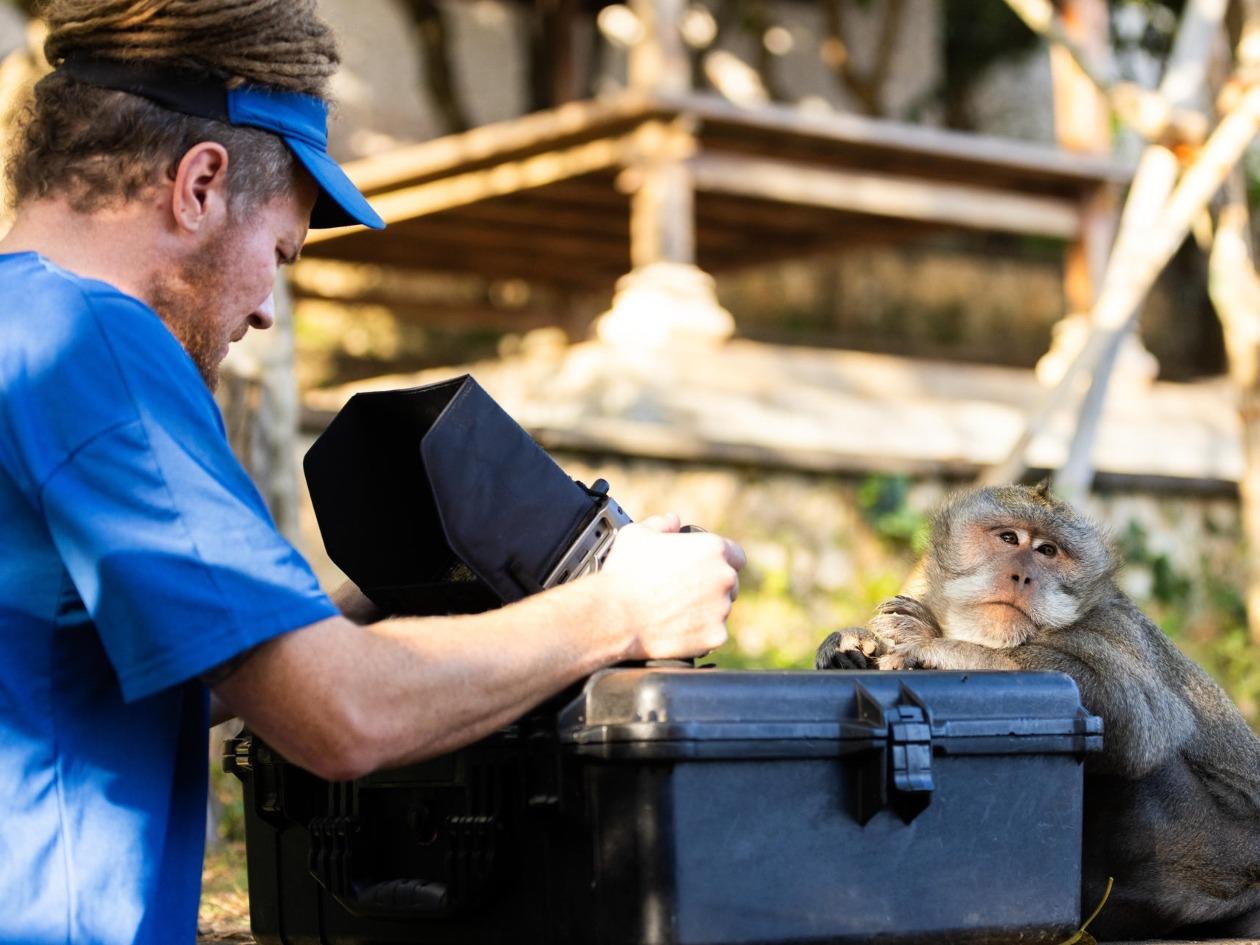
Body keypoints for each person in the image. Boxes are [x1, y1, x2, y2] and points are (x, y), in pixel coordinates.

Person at [0, 3, 745, 944]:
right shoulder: (95, 344)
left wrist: (369, 604)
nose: (265, 310)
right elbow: (335, 716)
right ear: (198, 185)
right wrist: (621, 610)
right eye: (277, 255)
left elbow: (85, 676)